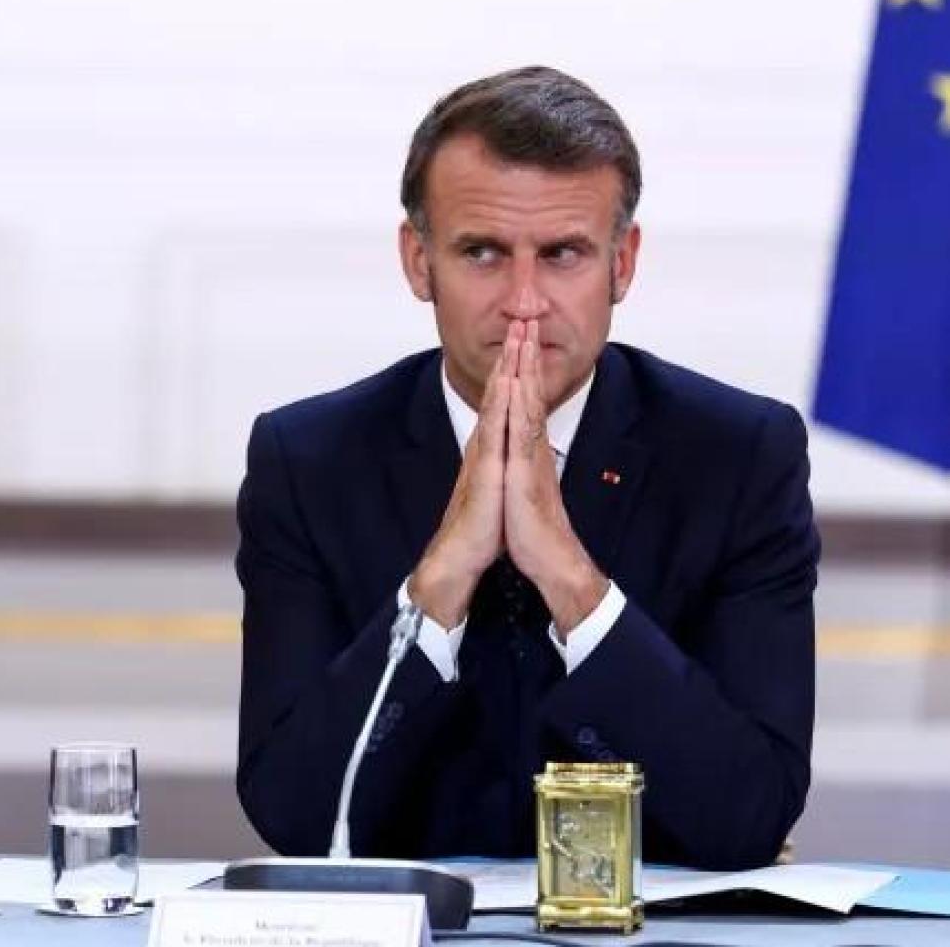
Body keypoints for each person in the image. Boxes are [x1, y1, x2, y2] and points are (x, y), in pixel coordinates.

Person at [234, 66, 816, 870]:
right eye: (481, 252)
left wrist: (572, 580)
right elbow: (294, 813)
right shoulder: (308, 460)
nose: (524, 301)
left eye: (564, 253)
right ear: (417, 260)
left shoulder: (739, 456)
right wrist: (438, 583)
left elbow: (749, 811)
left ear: (623, 263)